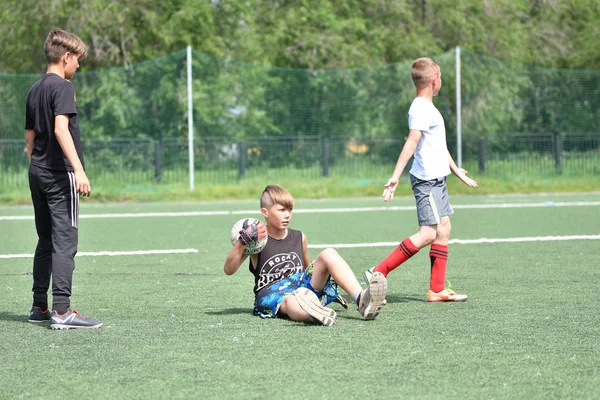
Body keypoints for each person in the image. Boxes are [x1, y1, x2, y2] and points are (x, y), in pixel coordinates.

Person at [364, 57, 478, 302]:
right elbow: (412, 142)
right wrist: (395, 176)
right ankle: (377, 272)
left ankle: (436, 290)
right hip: (427, 181)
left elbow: (436, 144)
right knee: (428, 233)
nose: (441, 81)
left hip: (438, 180)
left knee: (443, 229)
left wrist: (456, 169)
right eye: (441, 77)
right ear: (434, 80)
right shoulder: (421, 108)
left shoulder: (426, 107)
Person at [25, 28, 102, 329]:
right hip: (59, 175)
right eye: (78, 60)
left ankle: (38, 306)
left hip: (38, 173)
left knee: (45, 240)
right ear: (66, 57)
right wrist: (78, 169)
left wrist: (36, 164)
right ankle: (61, 311)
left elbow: (29, 136)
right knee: (65, 242)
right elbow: (60, 129)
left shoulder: (34, 89)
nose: (79, 66)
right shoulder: (63, 88)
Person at [224, 185, 387, 325]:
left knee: (328, 254)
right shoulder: (256, 241)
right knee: (292, 300)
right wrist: (242, 243)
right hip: (272, 294)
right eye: (281, 210)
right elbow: (229, 270)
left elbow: (308, 270)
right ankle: (314, 314)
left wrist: (329, 289)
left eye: (290, 210)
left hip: (300, 285)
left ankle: (362, 299)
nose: (287, 215)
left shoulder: (299, 237)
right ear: (265, 212)